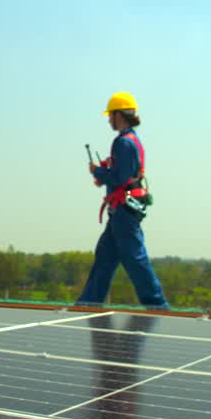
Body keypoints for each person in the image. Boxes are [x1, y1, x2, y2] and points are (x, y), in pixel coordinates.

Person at [76, 92, 169, 309]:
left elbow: (120, 178)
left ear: (120, 115)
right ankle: (88, 302)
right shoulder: (130, 141)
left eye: (111, 115)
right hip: (121, 211)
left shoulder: (123, 143)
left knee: (135, 258)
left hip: (124, 212)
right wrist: (105, 173)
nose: (109, 119)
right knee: (105, 258)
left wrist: (98, 173)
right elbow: (123, 174)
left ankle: (158, 304)